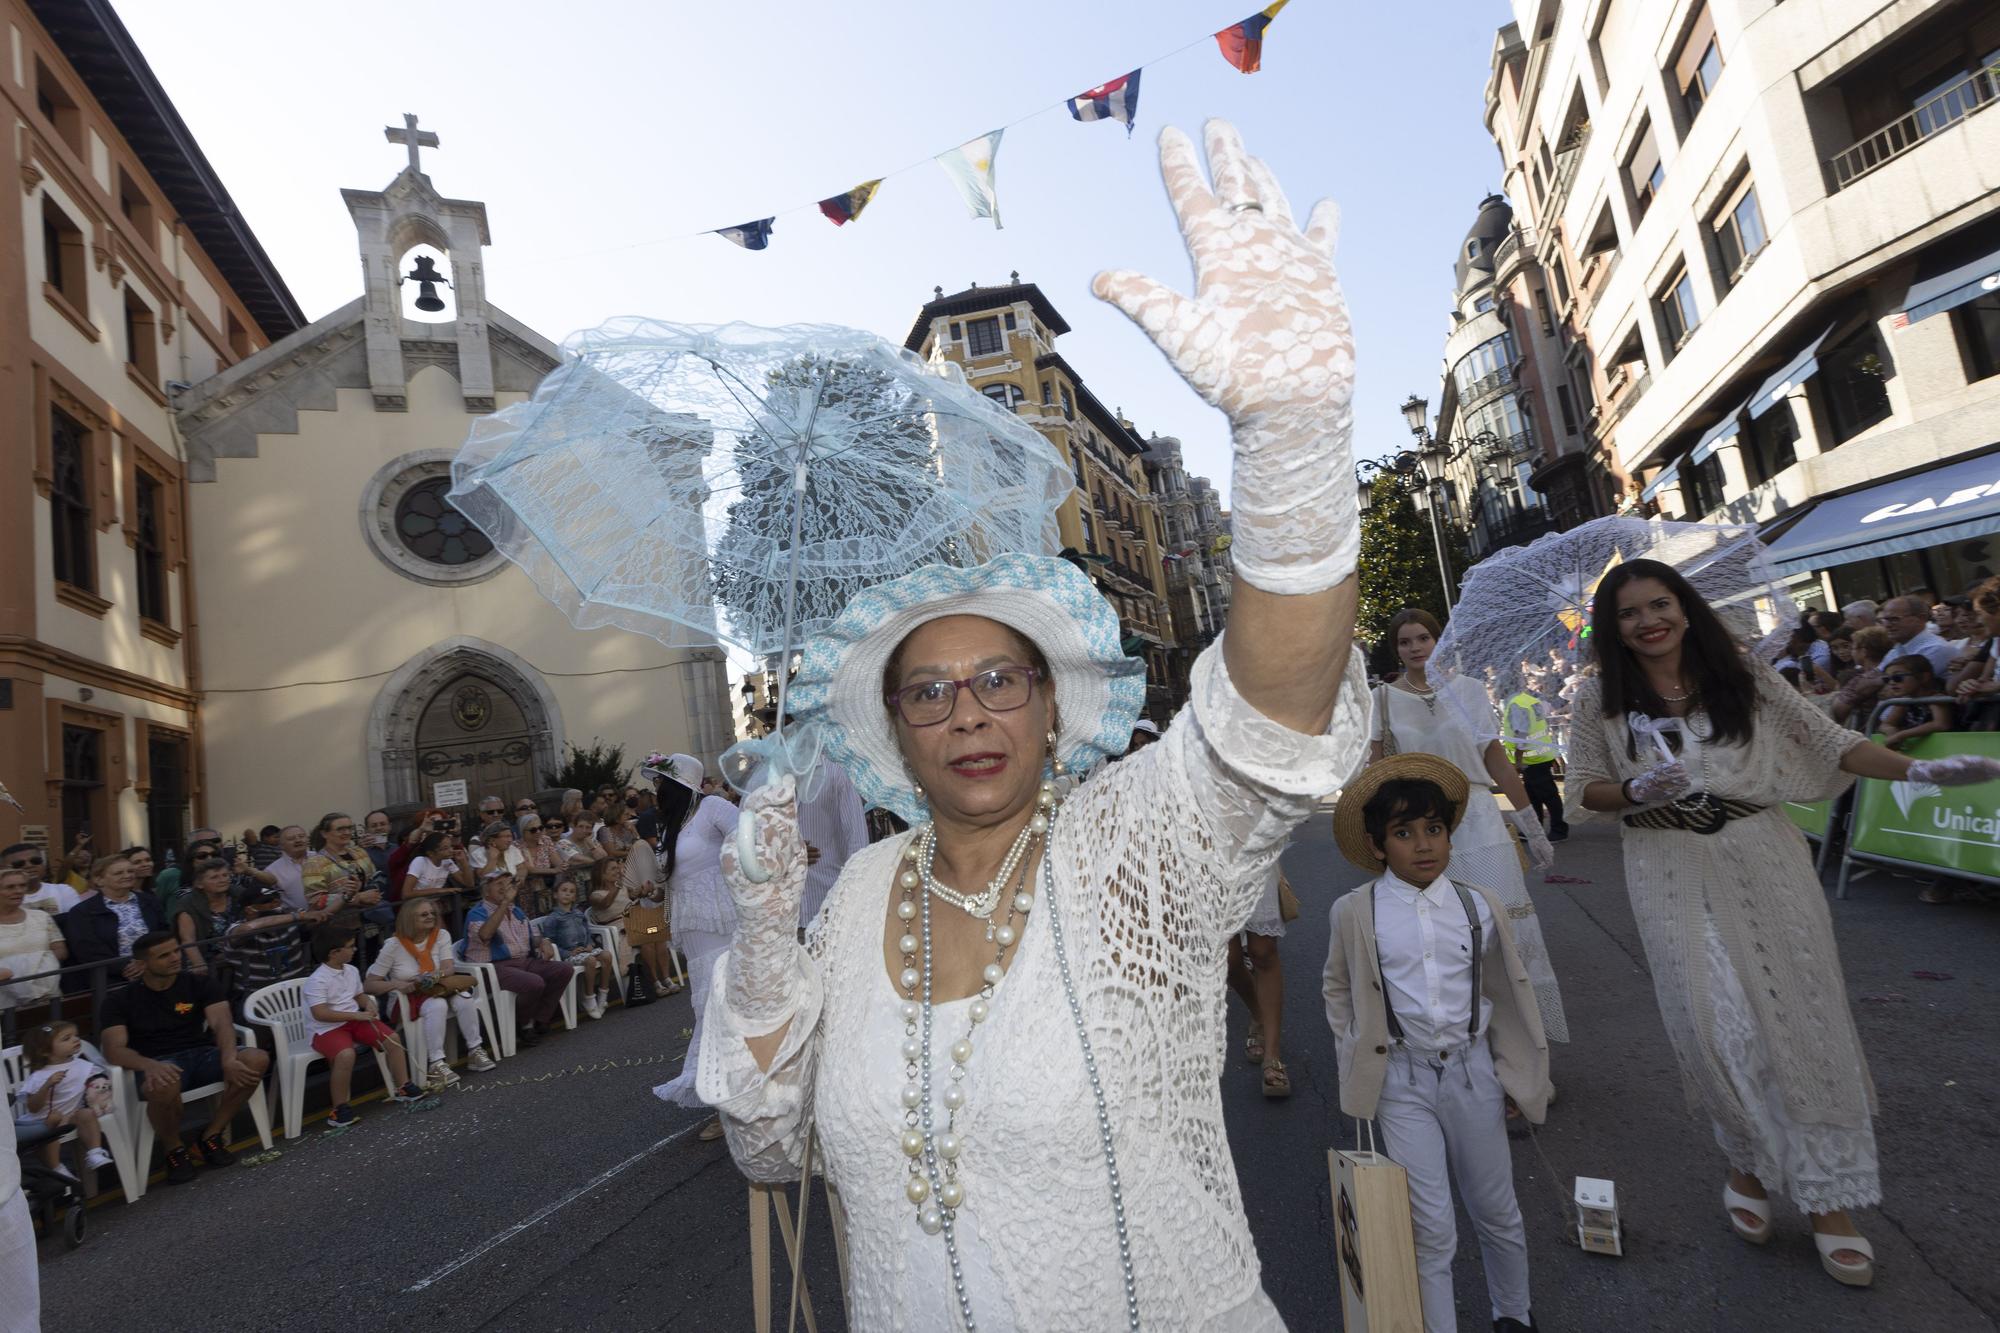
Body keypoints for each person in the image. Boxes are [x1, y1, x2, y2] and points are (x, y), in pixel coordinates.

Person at [698, 121, 1363, 1328]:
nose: (968, 712)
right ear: (894, 734)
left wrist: (1294, 444)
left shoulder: (1137, 844)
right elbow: (764, 1151)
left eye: (1000, 679)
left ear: (1055, 707)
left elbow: (1271, 712)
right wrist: (757, 941)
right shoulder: (854, 900)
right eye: (931, 691)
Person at [1564, 557, 2000, 1289]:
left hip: (1761, 857)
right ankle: (1746, 1161)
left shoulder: (1744, 676)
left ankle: (1831, 1202)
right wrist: (1637, 785)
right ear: (1613, 628)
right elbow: (1585, 790)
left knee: (1799, 1021)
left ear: (1684, 606)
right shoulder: (1597, 699)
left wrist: (1919, 771)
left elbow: (1831, 745)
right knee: (1716, 1025)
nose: (1647, 621)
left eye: (1658, 603)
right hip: (1668, 867)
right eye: (1630, 612)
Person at [1323, 755, 1549, 1333]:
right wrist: (1356, 1051)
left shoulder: (1479, 906)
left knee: (1496, 1209)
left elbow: (1504, 988)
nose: (1423, 845)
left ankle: (1514, 1314)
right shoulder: (1356, 911)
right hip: (1402, 1080)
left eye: (1434, 829)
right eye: (1403, 833)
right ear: (1378, 846)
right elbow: (1339, 985)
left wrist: (1516, 1071)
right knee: (1429, 1225)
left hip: (1473, 1073)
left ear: (1449, 835)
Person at [1370, 609, 1567, 1043]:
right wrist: (1383, 838)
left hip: (1480, 820)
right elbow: (1377, 771)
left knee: (1506, 934)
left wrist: (1530, 824)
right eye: (1405, 642)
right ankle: (1470, 1050)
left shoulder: (1471, 691)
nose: (1416, 647)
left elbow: (1495, 760)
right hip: (1423, 828)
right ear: (1396, 650)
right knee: (1445, 943)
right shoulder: (1382, 700)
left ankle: (1525, 1053)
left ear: (1438, 641)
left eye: (1423, 638)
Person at [101, 931, 272, 1185]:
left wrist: (228, 1058)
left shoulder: (199, 983)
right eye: (164, 955)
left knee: (256, 1058)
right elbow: (114, 1050)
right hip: (157, 1062)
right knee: (163, 1081)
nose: (174, 958)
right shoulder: (119, 999)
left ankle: (211, 1135)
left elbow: (222, 1023)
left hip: (201, 1054)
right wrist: (150, 1065)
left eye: (176, 951)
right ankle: (174, 1149)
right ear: (142, 965)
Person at [647, 752, 741, 1137]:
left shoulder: (713, 808)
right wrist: (649, 891)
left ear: (678, 785)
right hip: (694, 932)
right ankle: (730, 1100)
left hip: (725, 922)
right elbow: (670, 881)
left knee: (727, 1008)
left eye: (660, 784)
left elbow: (748, 838)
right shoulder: (671, 826)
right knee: (708, 1007)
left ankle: (730, 1104)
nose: (655, 792)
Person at [302, 925, 424, 1127]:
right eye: (349, 947)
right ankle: (339, 1108)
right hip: (325, 1028)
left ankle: (403, 1085)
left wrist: (367, 1003)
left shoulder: (350, 970)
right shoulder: (317, 980)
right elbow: (320, 1013)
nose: (354, 949)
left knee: (392, 1039)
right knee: (346, 1054)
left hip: (353, 1020)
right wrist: (356, 1015)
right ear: (334, 953)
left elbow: (358, 995)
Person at [366, 897, 495, 1082]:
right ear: (409, 919)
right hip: (407, 998)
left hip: (438, 988)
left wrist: (433, 976)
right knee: (437, 1006)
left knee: (464, 997)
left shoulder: (441, 935)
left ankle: (475, 1051)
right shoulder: (393, 946)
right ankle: (436, 1063)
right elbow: (370, 984)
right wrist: (396, 984)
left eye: (432, 913)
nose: (430, 917)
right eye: (424, 914)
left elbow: (449, 967)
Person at [463, 867, 575, 1046]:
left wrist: (544, 941)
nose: (504, 887)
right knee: (534, 982)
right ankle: (523, 1024)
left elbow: (533, 935)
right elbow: (485, 935)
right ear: (486, 890)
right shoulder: (477, 912)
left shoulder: (516, 911)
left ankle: (540, 1018)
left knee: (564, 970)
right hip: (493, 967)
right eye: (498, 884)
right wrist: (504, 904)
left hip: (523, 962)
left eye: (507, 883)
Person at [13, 1019, 117, 1181]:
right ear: (45, 1051)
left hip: (70, 1115)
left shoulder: (82, 1065)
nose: (76, 1040)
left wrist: (100, 1092)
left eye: (75, 1035)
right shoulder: (39, 1076)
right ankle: (56, 1167)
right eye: (66, 1038)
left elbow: (97, 1082)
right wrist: (47, 1086)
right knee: (54, 1119)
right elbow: (33, 1107)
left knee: (87, 1114)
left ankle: (94, 1152)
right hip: (39, 1121)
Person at [1228, 858, 1293, 1098]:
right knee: (1228, 960)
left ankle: (1272, 1056)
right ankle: (1258, 1013)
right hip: (1205, 856)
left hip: (1255, 853)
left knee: (1262, 951)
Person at [60, 853, 166, 983]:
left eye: (130, 871)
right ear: (99, 880)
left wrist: (150, 962)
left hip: (155, 971)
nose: (127, 875)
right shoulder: (83, 912)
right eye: (119, 873)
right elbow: (87, 949)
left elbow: (163, 933)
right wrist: (124, 967)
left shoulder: (149, 901)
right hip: (111, 980)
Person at [222, 883, 323, 1008]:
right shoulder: (236, 929)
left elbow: (321, 916)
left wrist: (346, 897)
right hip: (259, 1000)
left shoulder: (289, 920)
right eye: (268, 902)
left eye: (276, 899)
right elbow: (249, 928)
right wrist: (298, 916)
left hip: (297, 992)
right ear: (249, 909)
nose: (275, 904)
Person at [1501, 668, 1568, 843]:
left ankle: (1559, 829)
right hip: (1540, 755)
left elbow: (1521, 734)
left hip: (1531, 759)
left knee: (1548, 795)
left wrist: (1517, 761)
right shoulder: (1529, 700)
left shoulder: (1516, 704)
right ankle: (1535, 829)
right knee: (1533, 796)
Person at [537, 877, 614, 1019]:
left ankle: (603, 994)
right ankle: (589, 997)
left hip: (584, 950)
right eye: (564, 890)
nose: (567, 894)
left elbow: (587, 931)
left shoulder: (578, 914)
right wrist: (568, 952)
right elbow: (549, 942)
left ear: (574, 897)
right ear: (555, 895)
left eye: (571, 892)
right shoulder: (553, 918)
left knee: (607, 956)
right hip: (569, 955)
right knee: (590, 960)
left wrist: (589, 943)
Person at [0, 869, 65, 1011]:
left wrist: (35, 971)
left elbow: (60, 950)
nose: (18, 891)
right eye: (10, 887)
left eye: (22, 885)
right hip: (5, 1001)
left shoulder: (41, 917)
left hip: (47, 995)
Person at [302, 812, 384, 917]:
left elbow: (375, 878)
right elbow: (316, 901)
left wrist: (374, 891)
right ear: (324, 833)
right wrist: (358, 898)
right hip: (338, 923)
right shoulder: (314, 863)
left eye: (350, 828)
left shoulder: (360, 853)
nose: (347, 832)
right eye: (340, 829)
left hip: (371, 918)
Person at [1877, 657, 1953, 750]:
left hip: (1947, 747)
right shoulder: (1904, 701)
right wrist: (1891, 731)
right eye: (1887, 679)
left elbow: (1941, 724)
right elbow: (1886, 724)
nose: (1892, 682)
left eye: (1898, 677)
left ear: (1924, 677)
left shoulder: (1936, 698)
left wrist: (1901, 735)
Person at [1878, 594, 1956, 676]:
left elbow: (1903, 684)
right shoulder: (1896, 650)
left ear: (1921, 618)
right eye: (1886, 620)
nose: (1888, 625)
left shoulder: (1936, 649)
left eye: (1894, 619)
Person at [1831, 626, 1894, 728]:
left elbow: (1838, 710)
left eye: (1853, 648)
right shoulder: (1892, 671)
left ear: (1864, 652)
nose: (1852, 652)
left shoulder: (1862, 680)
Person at [400, 829, 474, 914]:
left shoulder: (447, 861)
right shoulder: (420, 861)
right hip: (415, 906)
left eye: (451, 846)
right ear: (431, 853)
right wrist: (440, 890)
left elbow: (469, 884)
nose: (451, 850)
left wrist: (463, 862)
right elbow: (406, 893)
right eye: (445, 848)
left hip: (432, 906)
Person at [4, 843, 79, 915]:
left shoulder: (63, 891)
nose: (29, 865)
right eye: (19, 864)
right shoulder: (3, 899)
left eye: (35, 861)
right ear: (4, 869)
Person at [515, 812, 565, 914]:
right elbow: (529, 869)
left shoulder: (546, 840)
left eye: (540, 828)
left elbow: (557, 861)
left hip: (547, 891)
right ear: (523, 832)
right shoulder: (516, 846)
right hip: (526, 893)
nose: (538, 832)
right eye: (533, 830)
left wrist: (562, 866)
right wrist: (553, 870)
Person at [267, 825, 313, 913]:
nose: (298, 840)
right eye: (291, 838)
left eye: (301, 836)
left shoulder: (321, 857)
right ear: (281, 845)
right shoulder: (272, 870)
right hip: (298, 921)